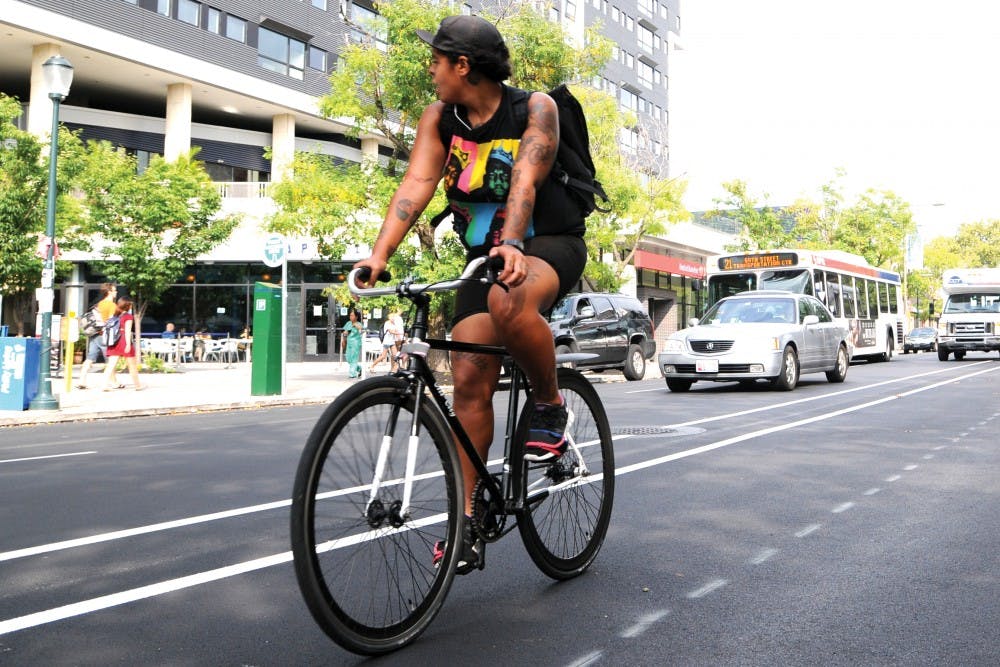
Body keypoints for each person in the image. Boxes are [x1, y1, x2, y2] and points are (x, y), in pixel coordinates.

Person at [353, 15, 587, 573]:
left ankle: (549, 405)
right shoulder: (440, 117)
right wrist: (378, 255)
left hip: (549, 242)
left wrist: (512, 243)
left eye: (436, 59)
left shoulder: (535, 110)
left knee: (510, 301)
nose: (429, 69)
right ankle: (468, 520)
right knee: (468, 377)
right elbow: (415, 184)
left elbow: (525, 181)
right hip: (485, 255)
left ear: (463, 65)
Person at [77, 283, 119, 389]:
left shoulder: (99, 304)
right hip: (104, 335)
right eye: (114, 291)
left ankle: (82, 380)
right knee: (110, 360)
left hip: (94, 333)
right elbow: (111, 321)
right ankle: (113, 382)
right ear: (109, 292)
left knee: (90, 358)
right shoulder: (112, 305)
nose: (116, 292)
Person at [103, 296, 144, 391]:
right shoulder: (128, 317)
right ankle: (138, 385)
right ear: (127, 305)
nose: (131, 306)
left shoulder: (114, 316)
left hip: (114, 341)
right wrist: (128, 345)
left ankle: (104, 385)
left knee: (111, 365)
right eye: (130, 305)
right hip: (123, 340)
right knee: (132, 365)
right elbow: (127, 331)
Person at [340, 309, 364, 378]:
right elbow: (345, 331)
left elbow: (361, 328)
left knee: (354, 358)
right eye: (350, 315)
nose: (351, 317)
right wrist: (344, 339)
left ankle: (352, 374)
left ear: (356, 317)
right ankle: (359, 368)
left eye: (352, 315)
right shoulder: (348, 323)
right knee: (348, 358)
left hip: (356, 343)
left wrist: (355, 326)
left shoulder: (358, 324)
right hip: (349, 342)